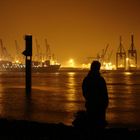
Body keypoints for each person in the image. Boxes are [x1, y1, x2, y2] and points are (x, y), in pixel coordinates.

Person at [82, 60, 109, 128]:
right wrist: (105, 103)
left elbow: (84, 92)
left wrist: (89, 99)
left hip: (90, 105)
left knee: (91, 124)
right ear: (98, 68)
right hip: (100, 106)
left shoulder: (87, 79)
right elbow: (104, 93)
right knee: (100, 124)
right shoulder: (100, 79)